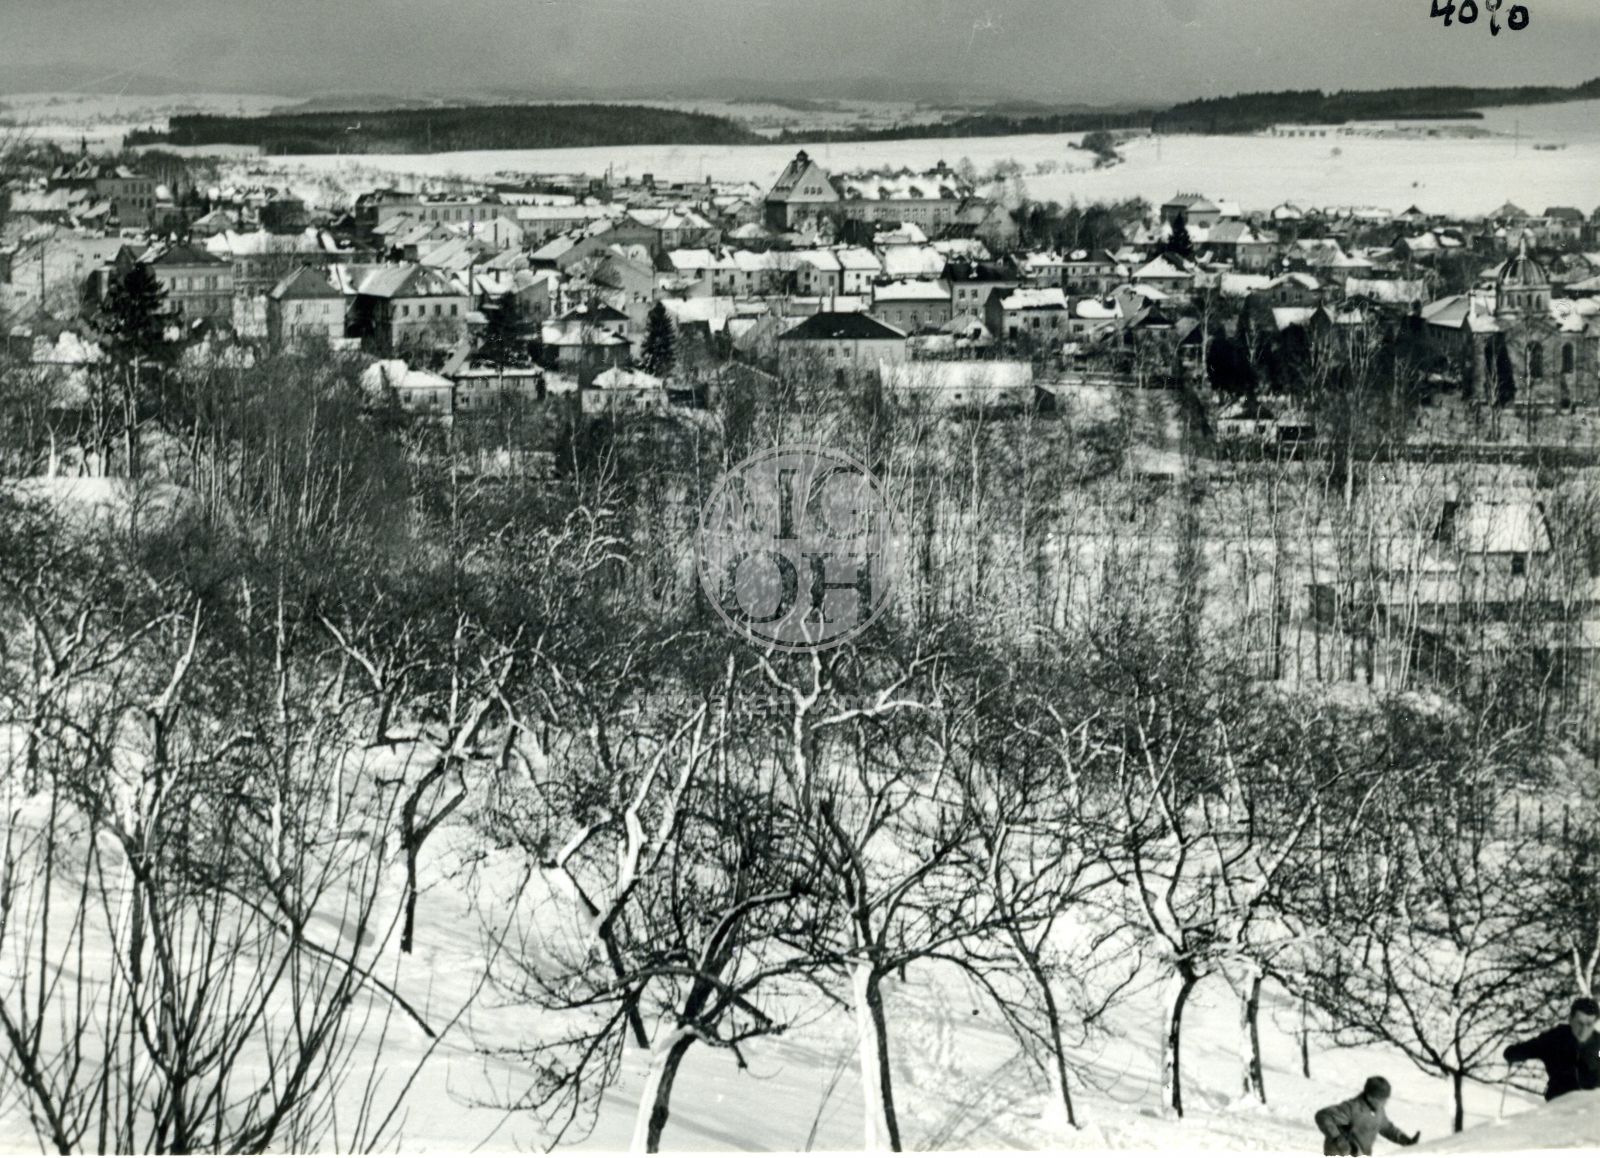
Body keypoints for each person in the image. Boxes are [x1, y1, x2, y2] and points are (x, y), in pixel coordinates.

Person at [1503, 996, 1600, 1101]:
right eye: (1580, 1023)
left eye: (1589, 1024)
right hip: (1558, 1107)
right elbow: (1524, 1049)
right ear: (1570, 1019)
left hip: (1592, 1109)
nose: (1583, 1030)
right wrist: (1512, 1053)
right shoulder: (1555, 1039)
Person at [1314, 1076, 1419, 1156]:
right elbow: (1323, 1116)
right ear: (1370, 1097)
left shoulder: (1378, 1111)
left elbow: (1387, 1128)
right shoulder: (1353, 1107)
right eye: (1381, 1099)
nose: (1385, 1103)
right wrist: (1338, 1138)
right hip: (1340, 1154)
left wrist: (1406, 1141)